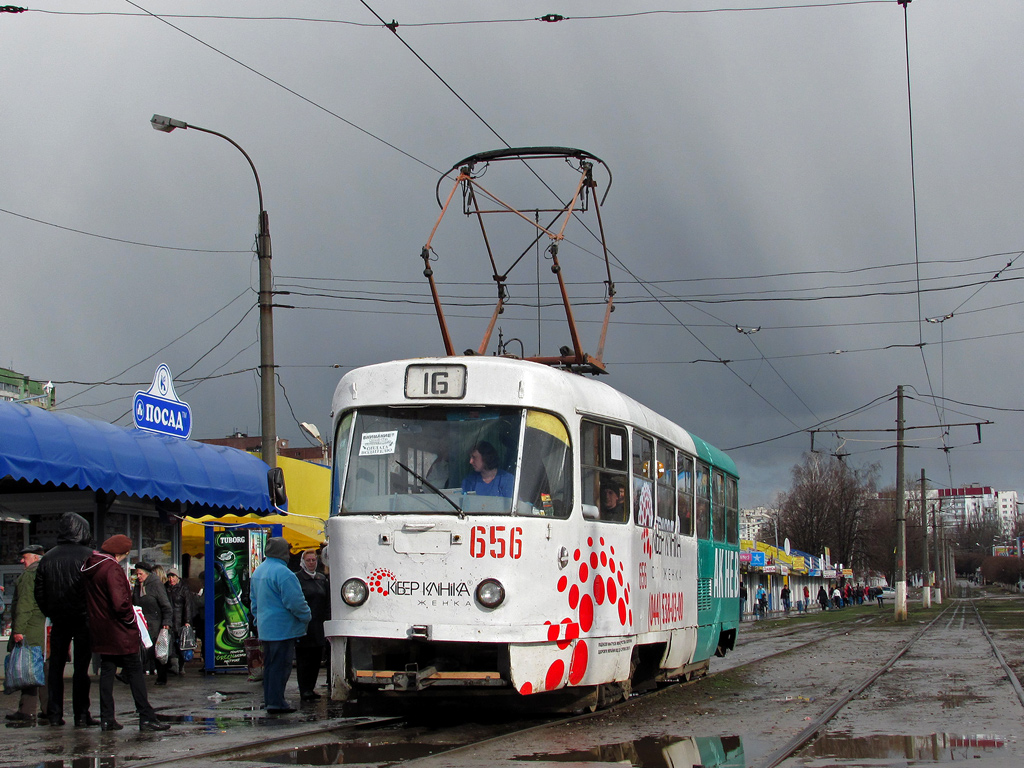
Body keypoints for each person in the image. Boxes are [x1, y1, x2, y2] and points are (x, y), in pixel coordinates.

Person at [80, 535, 169, 731]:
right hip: (119, 629)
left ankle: (106, 717)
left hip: (101, 628)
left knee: (108, 670)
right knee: (135, 671)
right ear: (122, 552)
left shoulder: (91, 566)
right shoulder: (111, 568)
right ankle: (146, 716)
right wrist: (131, 620)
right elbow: (120, 603)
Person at [34, 511, 97, 728]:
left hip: (59, 619)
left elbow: (39, 593)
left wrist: (51, 612)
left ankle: (54, 713)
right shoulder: (90, 556)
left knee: (55, 669)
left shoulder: (48, 558)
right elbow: (96, 589)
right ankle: (81, 714)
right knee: (81, 669)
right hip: (83, 619)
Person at [250, 537, 311, 714]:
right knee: (281, 667)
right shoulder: (284, 574)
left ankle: (270, 700)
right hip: (283, 629)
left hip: (265, 628)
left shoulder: (258, 572)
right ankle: (277, 702)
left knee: (269, 666)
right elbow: (295, 602)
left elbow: (254, 602)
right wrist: (307, 616)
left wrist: (257, 620)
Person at [5, 545, 48, 728]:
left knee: (28, 669)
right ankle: (49, 710)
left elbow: (24, 604)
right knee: (40, 669)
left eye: (25, 557)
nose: (22, 561)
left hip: (30, 628)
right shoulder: (45, 573)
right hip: (42, 627)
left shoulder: (29, 576)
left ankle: (27, 712)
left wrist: (18, 630)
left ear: (36, 558)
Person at [294, 549, 329, 702]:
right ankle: (304, 689)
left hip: (319, 624)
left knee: (316, 658)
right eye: (308, 560)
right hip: (304, 625)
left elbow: (327, 601)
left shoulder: (321, 579)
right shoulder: (297, 578)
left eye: (313, 560)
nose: (311, 563)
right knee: (304, 659)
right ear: (303, 562)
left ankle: (311, 687)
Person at [132, 562, 171, 685]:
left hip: (155, 622)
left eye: (140, 574)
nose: (138, 576)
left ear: (147, 574)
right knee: (139, 649)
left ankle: (162, 677)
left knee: (157, 651)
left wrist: (166, 623)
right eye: (136, 574)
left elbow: (166, 605)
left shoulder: (156, 585)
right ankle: (129, 675)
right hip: (141, 622)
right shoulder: (138, 586)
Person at [164, 568, 195, 675]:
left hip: (180, 620)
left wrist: (187, 621)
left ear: (177, 577)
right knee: (170, 643)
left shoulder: (184, 589)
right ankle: (174, 665)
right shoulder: (165, 588)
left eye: (173, 577)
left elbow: (188, 606)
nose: (171, 579)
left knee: (181, 644)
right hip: (169, 620)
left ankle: (180, 666)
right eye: (169, 577)